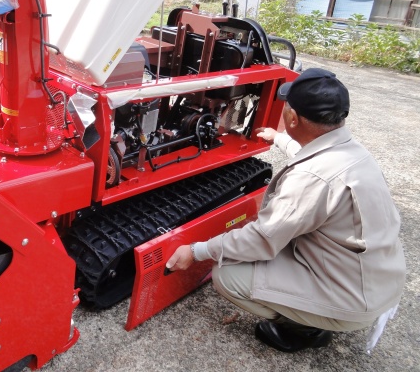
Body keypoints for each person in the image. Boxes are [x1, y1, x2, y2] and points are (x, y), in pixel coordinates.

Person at [166, 68, 406, 353]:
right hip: (377, 278)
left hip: (353, 297)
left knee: (228, 277)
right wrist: (278, 138)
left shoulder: (311, 179)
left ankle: (307, 328)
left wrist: (196, 251)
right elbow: (314, 159)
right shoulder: (352, 153)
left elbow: (260, 239)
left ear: (292, 118)